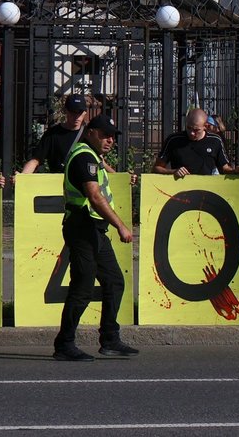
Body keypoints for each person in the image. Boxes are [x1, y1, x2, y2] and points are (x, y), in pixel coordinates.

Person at [52, 114, 137, 362]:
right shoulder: (83, 157)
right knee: (83, 286)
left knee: (114, 281)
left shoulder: (94, 157)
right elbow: (95, 197)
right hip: (82, 227)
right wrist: (121, 226)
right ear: (90, 132)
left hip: (94, 229)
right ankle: (64, 344)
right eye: (104, 134)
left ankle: (110, 339)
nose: (110, 140)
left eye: (112, 136)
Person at [152, 108, 239, 178]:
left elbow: (224, 169)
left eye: (196, 130)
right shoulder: (174, 140)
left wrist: (236, 171)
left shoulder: (215, 140)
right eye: (189, 128)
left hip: (205, 192)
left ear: (206, 126)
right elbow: (156, 168)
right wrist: (173, 171)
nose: (192, 133)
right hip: (180, 192)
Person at [20, 95, 88, 175]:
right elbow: (36, 160)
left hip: (84, 185)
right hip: (59, 183)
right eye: (73, 112)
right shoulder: (52, 134)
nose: (76, 116)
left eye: (80, 112)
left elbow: (100, 161)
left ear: (85, 112)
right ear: (65, 111)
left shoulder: (89, 134)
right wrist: (22, 177)